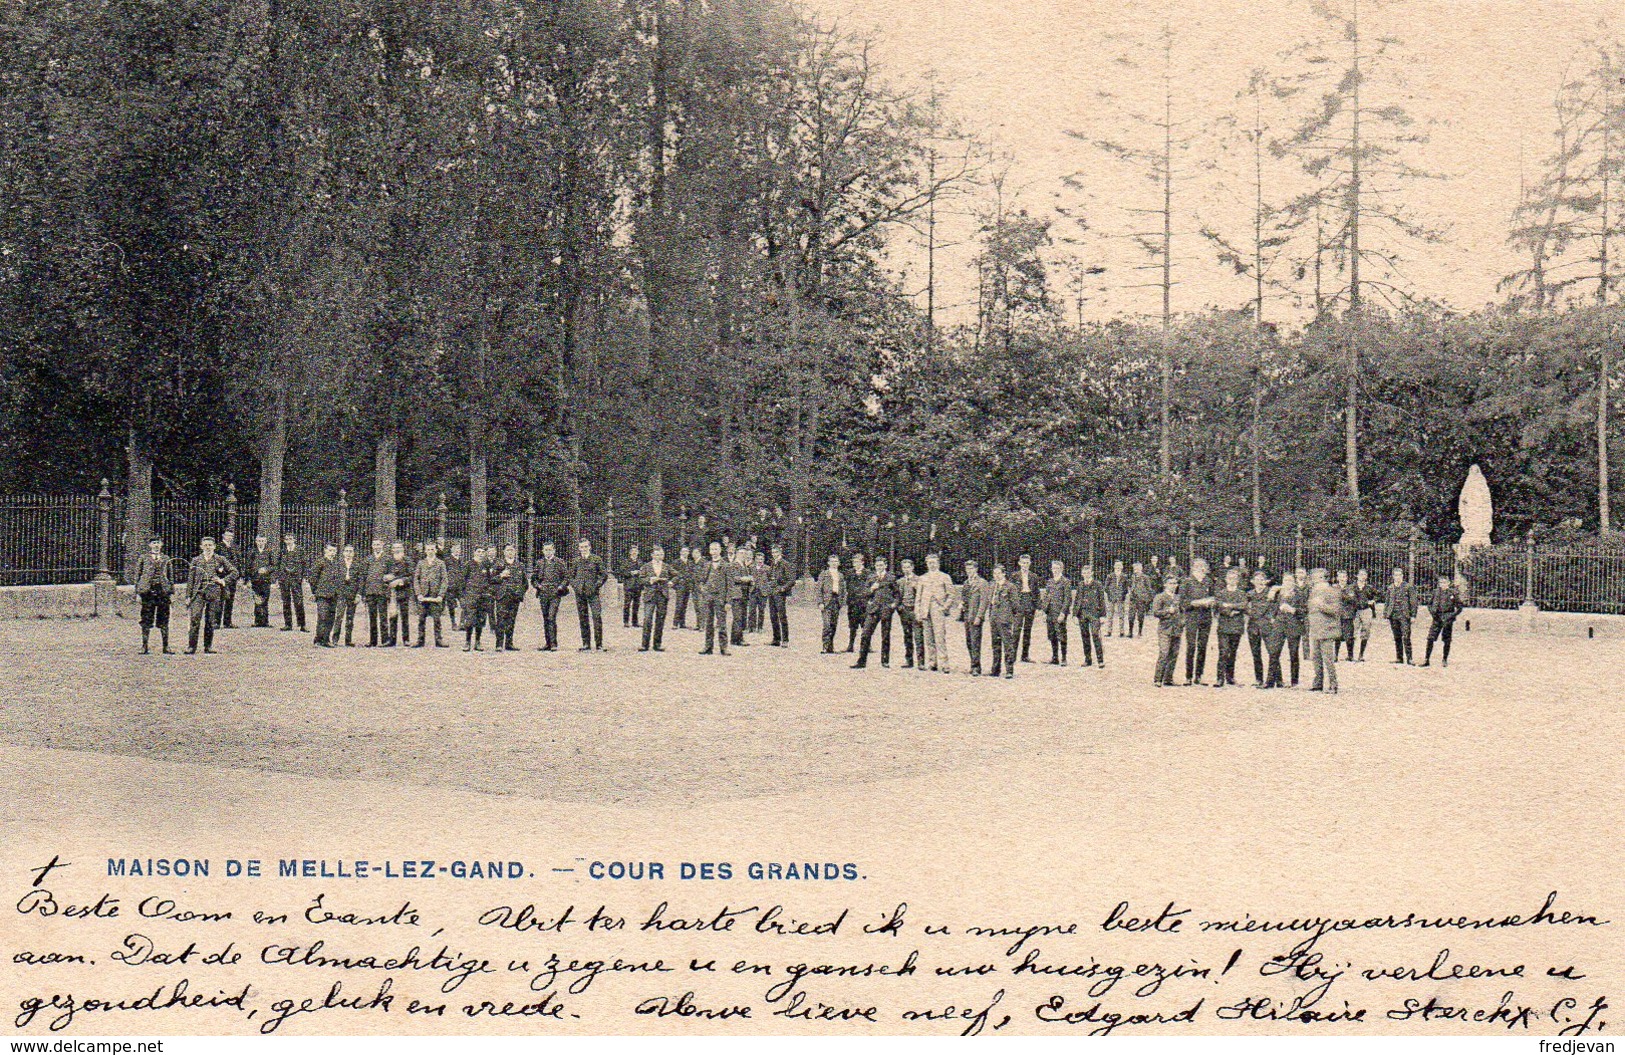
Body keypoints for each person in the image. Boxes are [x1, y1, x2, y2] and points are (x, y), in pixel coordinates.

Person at [186, 537, 238, 654]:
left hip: (214, 592)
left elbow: (234, 572)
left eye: (210, 545)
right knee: (195, 618)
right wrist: (188, 596)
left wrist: (222, 580)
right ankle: (191, 646)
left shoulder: (220, 559)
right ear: (201, 547)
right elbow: (191, 580)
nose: (208, 547)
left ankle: (208, 646)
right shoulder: (196, 560)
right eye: (205, 545)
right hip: (198, 593)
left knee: (210, 620)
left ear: (214, 546)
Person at [851, 556, 900, 669]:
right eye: (877, 565)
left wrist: (893, 605)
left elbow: (897, 594)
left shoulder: (891, 578)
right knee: (865, 634)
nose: (879, 567)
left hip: (886, 609)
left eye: (881, 565)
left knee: (885, 635)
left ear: (885, 565)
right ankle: (861, 661)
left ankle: (885, 661)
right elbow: (864, 592)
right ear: (875, 566)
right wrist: (871, 589)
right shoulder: (871, 577)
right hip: (873, 610)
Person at [914, 553, 955, 673]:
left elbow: (951, 594)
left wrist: (945, 606)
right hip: (925, 610)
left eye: (934, 562)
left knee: (940, 637)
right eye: (929, 563)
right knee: (929, 637)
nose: (931, 565)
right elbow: (918, 597)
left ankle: (944, 663)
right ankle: (932, 662)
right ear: (926, 564)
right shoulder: (922, 578)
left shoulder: (945, 577)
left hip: (938, 609)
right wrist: (918, 611)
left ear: (938, 563)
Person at [133, 536, 174, 654]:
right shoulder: (143, 558)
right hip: (147, 592)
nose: (156, 545)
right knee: (146, 618)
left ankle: (166, 646)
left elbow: (171, 577)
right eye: (154, 543)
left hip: (163, 592)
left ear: (161, 545)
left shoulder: (166, 559)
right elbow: (137, 576)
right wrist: (138, 593)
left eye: (158, 543)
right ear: (150, 545)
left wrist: (171, 592)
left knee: (164, 618)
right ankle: (144, 646)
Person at [1180, 558, 1216, 685]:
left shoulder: (1208, 581)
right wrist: (1199, 603)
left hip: (1206, 617)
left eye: (1204, 566)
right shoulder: (1187, 582)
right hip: (1192, 617)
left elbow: (1213, 597)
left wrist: (1210, 602)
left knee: (1202, 646)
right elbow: (1183, 603)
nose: (1203, 568)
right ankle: (1188, 676)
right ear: (1194, 567)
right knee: (1191, 646)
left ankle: (1199, 675)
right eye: (1200, 566)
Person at [1306, 568, 1342, 693]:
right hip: (1315, 629)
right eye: (1314, 577)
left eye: (1317, 577)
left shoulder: (1333, 591)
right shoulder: (1314, 592)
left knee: (1328, 659)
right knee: (1316, 658)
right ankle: (1318, 683)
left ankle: (1333, 684)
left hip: (1327, 629)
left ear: (1324, 578)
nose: (1315, 580)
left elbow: (1336, 610)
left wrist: (1321, 606)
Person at [1212, 567, 1249, 688]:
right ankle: (1219, 678)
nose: (1232, 580)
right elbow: (1218, 606)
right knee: (1223, 652)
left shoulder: (1241, 593)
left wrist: (1229, 605)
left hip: (1237, 626)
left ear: (1237, 580)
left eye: (1234, 578)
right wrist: (1230, 611)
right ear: (1226, 579)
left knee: (1232, 652)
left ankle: (1230, 677)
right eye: (1229, 578)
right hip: (1224, 626)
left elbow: (1243, 605)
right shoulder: (1221, 593)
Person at [570, 537, 608, 651]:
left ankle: (599, 644)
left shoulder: (596, 559)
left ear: (590, 547)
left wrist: (597, 585)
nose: (584, 549)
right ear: (578, 548)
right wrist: (576, 586)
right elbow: (571, 576)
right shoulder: (576, 561)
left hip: (593, 593)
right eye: (581, 547)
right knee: (583, 617)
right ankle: (586, 644)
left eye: (586, 547)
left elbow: (603, 575)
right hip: (580, 593)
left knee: (597, 616)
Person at [531, 540, 569, 651]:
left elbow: (566, 577)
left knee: (551, 617)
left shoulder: (559, 562)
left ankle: (553, 643)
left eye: (550, 549)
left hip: (555, 594)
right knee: (545, 617)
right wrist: (538, 586)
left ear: (554, 550)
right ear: (543, 551)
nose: (548, 552)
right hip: (543, 594)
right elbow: (533, 579)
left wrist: (561, 586)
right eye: (546, 550)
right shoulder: (539, 563)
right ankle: (547, 643)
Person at [697, 541, 734, 656]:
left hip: (721, 599)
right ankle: (708, 647)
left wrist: (728, 601)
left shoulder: (726, 565)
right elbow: (701, 581)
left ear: (720, 550)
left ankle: (724, 648)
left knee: (722, 624)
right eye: (712, 549)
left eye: (716, 549)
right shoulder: (707, 565)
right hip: (708, 598)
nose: (714, 552)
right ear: (709, 551)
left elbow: (730, 585)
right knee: (708, 623)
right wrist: (704, 591)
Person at [1421, 573, 1461, 667]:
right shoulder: (1435, 592)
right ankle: (1427, 659)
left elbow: (1459, 607)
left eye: (1444, 582)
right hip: (1437, 618)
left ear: (1448, 583)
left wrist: (1451, 616)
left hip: (1447, 619)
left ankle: (1444, 659)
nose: (1443, 584)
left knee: (1447, 640)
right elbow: (1429, 604)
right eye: (1441, 582)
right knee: (1430, 638)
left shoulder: (1453, 593)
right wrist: (1433, 613)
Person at [414, 541, 450, 648]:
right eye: (428, 549)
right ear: (425, 551)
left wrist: (440, 595)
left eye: (432, 549)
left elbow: (444, 580)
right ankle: (420, 640)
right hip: (423, 595)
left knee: (437, 619)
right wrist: (418, 594)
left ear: (436, 550)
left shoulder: (440, 563)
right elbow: (416, 579)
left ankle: (439, 640)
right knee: (421, 619)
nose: (430, 551)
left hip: (435, 595)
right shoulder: (421, 563)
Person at [491, 543, 525, 651]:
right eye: (508, 550)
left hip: (515, 596)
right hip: (502, 595)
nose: (510, 552)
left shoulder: (520, 565)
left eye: (512, 550)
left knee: (511, 620)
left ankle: (509, 643)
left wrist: (520, 592)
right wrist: (501, 576)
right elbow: (491, 580)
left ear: (515, 552)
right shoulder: (498, 565)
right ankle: (499, 644)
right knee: (501, 620)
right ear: (504, 552)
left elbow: (525, 583)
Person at [960, 559, 992, 676]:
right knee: (969, 641)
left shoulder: (982, 583)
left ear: (976, 569)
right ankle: (972, 663)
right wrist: (962, 604)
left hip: (975, 616)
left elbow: (984, 601)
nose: (969, 571)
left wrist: (979, 616)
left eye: (971, 569)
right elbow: (964, 597)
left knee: (975, 642)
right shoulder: (966, 583)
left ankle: (976, 667)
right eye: (967, 569)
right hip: (967, 616)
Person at [988, 564, 1020, 679]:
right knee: (995, 645)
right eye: (994, 573)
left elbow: (1015, 605)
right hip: (994, 619)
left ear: (1004, 574)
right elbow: (990, 603)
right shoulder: (992, 586)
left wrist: (1009, 617)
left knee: (1007, 645)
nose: (996, 576)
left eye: (998, 573)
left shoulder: (1010, 587)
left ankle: (1009, 670)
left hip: (1005, 620)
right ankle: (995, 669)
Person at [639, 546, 673, 651]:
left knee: (660, 620)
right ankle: (645, 644)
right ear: (652, 555)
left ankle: (657, 644)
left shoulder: (666, 566)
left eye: (661, 554)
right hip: (650, 595)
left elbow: (677, 575)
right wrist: (650, 580)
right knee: (647, 619)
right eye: (657, 554)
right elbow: (640, 579)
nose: (659, 557)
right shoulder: (646, 566)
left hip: (662, 596)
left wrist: (672, 582)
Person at [1152, 576, 1184, 687]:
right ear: (1165, 584)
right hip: (1165, 629)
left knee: (1174, 654)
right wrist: (1167, 611)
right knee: (1164, 653)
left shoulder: (1178, 598)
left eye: (1175, 583)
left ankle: (1168, 679)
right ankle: (1158, 679)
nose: (1173, 585)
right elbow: (1155, 612)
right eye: (1171, 583)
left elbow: (1182, 611)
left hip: (1177, 629)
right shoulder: (1160, 597)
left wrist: (1182, 622)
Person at [1245, 570, 1274, 687]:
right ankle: (1259, 679)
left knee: (1272, 652)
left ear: (1266, 581)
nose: (1260, 582)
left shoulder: (1270, 593)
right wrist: (1251, 613)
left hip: (1266, 626)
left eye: (1262, 580)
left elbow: (1272, 608)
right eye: (1257, 580)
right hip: (1253, 627)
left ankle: (1276, 679)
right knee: (1256, 654)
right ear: (1253, 582)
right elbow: (1245, 607)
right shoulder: (1250, 594)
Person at [1074, 565, 1107, 669]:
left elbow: (1102, 600)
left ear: (1092, 573)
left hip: (1094, 614)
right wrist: (1075, 614)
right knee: (1084, 636)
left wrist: (1103, 615)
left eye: (1088, 573)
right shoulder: (1080, 585)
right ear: (1082, 574)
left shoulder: (1098, 584)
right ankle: (1088, 659)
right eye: (1084, 573)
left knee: (1095, 634)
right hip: (1082, 613)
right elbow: (1076, 600)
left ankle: (1100, 660)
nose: (1086, 575)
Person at [461, 546, 493, 651]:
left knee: (480, 619)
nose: (480, 554)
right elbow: (462, 581)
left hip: (483, 596)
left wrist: (488, 592)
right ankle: (467, 642)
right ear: (474, 553)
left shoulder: (486, 565)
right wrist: (464, 596)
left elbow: (489, 579)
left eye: (483, 552)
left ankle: (478, 642)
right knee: (470, 620)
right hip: (471, 596)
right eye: (478, 551)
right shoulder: (468, 565)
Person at [310, 542, 342, 647]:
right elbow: (313, 578)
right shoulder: (320, 562)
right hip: (322, 594)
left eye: (334, 551)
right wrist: (314, 592)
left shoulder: (336, 564)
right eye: (330, 550)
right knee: (323, 616)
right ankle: (320, 639)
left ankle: (325, 639)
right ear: (325, 551)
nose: (332, 553)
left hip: (334, 595)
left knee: (331, 617)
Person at [1041, 560, 1072, 666]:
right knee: (1052, 635)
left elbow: (1067, 599)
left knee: (1061, 635)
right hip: (1050, 613)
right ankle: (1055, 658)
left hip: (1059, 613)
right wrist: (1044, 612)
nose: (1055, 570)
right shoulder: (1049, 581)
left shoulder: (1066, 581)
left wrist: (1063, 613)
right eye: (1053, 568)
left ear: (1061, 569)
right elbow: (1046, 597)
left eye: (1057, 568)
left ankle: (1063, 658)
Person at [360, 539, 390, 647]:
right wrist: (363, 593)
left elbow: (392, 574)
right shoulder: (368, 559)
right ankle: (373, 641)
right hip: (370, 591)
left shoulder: (387, 559)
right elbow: (363, 576)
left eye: (379, 544)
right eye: (374, 545)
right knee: (372, 617)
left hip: (382, 592)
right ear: (372, 546)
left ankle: (385, 640)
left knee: (383, 616)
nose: (376, 546)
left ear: (383, 545)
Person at [276, 532, 307, 633]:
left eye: (290, 539)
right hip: (284, 580)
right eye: (287, 539)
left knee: (298, 601)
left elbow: (304, 564)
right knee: (286, 602)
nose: (289, 541)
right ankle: (288, 624)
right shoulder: (282, 551)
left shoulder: (300, 550)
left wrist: (302, 577)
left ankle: (302, 625)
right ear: (284, 541)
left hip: (296, 580)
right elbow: (278, 564)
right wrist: (279, 578)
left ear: (294, 540)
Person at [383, 540, 413, 646]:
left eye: (399, 547)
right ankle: (392, 639)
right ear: (392, 549)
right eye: (395, 547)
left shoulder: (407, 560)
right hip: (391, 592)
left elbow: (412, 576)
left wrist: (401, 581)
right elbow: (383, 575)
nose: (397, 549)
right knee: (392, 616)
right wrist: (386, 578)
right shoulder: (388, 561)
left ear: (403, 549)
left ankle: (406, 639)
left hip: (403, 592)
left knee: (405, 616)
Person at [334, 543, 363, 646]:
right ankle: (335, 639)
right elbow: (334, 579)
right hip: (341, 594)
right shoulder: (338, 564)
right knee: (338, 616)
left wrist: (358, 594)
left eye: (350, 551)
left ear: (354, 553)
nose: (348, 553)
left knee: (350, 618)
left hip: (352, 595)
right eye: (346, 551)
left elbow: (360, 581)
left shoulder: (358, 565)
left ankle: (348, 640)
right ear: (343, 553)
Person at [1385, 567, 1416, 665]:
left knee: (1406, 636)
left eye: (1399, 575)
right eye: (1395, 575)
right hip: (1393, 615)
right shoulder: (1390, 587)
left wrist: (1413, 615)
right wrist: (1386, 613)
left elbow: (1413, 602)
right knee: (1397, 637)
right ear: (1393, 576)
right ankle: (1399, 658)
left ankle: (1409, 658)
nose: (1397, 577)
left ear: (1402, 576)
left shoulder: (1408, 587)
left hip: (1404, 615)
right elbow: (1387, 601)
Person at [766, 543, 795, 647]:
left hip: (780, 593)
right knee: (773, 616)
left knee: (782, 616)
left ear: (780, 552)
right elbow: (770, 577)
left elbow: (791, 580)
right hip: (772, 592)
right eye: (773, 552)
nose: (774, 554)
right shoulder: (773, 564)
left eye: (776, 552)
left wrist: (783, 588)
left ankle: (785, 640)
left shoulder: (785, 564)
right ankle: (776, 639)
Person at [1013, 554, 1039, 662]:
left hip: (1029, 602)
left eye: (1027, 563)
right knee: (1016, 630)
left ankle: (1025, 655)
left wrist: (1037, 607)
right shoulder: (1014, 576)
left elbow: (1037, 593)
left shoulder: (1034, 576)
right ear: (1019, 563)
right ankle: (1012, 655)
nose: (1025, 565)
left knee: (1027, 630)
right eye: (1023, 563)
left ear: (1030, 564)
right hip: (1019, 602)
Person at [817, 554, 846, 654]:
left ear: (839, 563)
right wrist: (820, 602)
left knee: (834, 624)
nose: (834, 563)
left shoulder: (840, 575)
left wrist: (841, 602)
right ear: (828, 563)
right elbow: (819, 589)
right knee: (826, 624)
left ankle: (830, 646)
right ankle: (825, 646)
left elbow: (843, 590)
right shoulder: (824, 574)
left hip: (836, 601)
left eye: (836, 561)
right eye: (832, 561)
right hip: (826, 602)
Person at [246, 534, 276, 628]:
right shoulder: (252, 552)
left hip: (266, 580)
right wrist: (248, 580)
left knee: (265, 599)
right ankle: (257, 621)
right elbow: (248, 566)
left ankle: (265, 621)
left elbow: (274, 566)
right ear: (256, 541)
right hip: (255, 579)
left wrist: (266, 569)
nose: (261, 543)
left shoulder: (269, 552)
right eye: (259, 541)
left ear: (265, 542)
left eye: (262, 541)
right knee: (257, 600)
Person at [729, 545, 755, 647]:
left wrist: (750, 582)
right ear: (736, 554)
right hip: (736, 594)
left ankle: (735, 639)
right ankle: (738, 639)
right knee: (738, 617)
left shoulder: (744, 566)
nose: (744, 555)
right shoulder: (734, 565)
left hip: (744, 593)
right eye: (741, 553)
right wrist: (745, 579)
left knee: (741, 616)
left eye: (745, 554)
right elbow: (734, 578)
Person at [896, 559, 920, 669]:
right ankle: (909, 660)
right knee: (907, 636)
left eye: (908, 567)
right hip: (904, 611)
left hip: (915, 610)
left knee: (918, 636)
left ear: (912, 567)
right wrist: (899, 607)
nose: (906, 570)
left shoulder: (919, 580)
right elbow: (897, 596)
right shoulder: (900, 581)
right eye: (904, 567)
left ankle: (921, 661)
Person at [844, 552, 869, 653]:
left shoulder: (868, 573)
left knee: (865, 625)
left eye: (857, 561)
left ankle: (867, 645)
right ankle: (851, 645)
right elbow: (848, 587)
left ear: (862, 562)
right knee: (852, 625)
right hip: (853, 603)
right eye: (854, 561)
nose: (855, 563)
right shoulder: (850, 573)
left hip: (864, 603)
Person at [217, 529, 241, 628]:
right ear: (223, 535)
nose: (229, 537)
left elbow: (238, 561)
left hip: (232, 577)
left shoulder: (235, 547)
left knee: (230, 599)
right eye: (227, 535)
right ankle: (216, 622)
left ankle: (227, 622)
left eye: (231, 536)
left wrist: (239, 575)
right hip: (222, 577)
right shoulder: (218, 547)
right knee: (220, 600)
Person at [1353, 568, 1378, 661]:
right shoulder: (1352, 587)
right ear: (1357, 576)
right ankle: (1351, 654)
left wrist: (1373, 600)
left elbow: (1378, 595)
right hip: (1355, 611)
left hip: (1366, 610)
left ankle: (1361, 654)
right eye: (1361, 574)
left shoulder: (1369, 587)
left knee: (1365, 631)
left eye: (1364, 575)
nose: (1362, 577)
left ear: (1366, 576)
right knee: (1353, 632)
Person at [443, 541, 466, 634]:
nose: (457, 551)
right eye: (455, 549)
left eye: (459, 549)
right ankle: (453, 623)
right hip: (451, 587)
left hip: (460, 587)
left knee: (464, 605)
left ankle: (461, 623)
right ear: (451, 549)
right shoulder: (447, 560)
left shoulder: (462, 560)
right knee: (451, 606)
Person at [1127, 561, 1155, 639]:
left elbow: (1149, 589)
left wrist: (1148, 600)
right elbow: (1130, 586)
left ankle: (1140, 632)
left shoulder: (1145, 577)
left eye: (1138, 568)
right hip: (1133, 599)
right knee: (1131, 616)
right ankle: (1130, 632)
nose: (1136, 569)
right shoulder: (1133, 577)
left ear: (1141, 568)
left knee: (1140, 616)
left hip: (1141, 599)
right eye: (1135, 568)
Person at [1335, 569, 1358, 661]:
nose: (1342, 579)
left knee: (1349, 636)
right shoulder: (1334, 588)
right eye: (1340, 577)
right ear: (1337, 578)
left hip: (1348, 615)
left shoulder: (1351, 588)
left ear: (1347, 578)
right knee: (1336, 635)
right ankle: (1335, 656)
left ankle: (1350, 655)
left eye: (1344, 577)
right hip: (1337, 615)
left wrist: (1342, 595)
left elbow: (1353, 600)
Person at [671, 545, 695, 629]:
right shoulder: (676, 562)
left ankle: (682, 623)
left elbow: (692, 574)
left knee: (685, 604)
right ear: (680, 552)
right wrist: (675, 585)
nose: (685, 553)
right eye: (684, 551)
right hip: (680, 586)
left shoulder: (691, 563)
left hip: (687, 586)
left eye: (687, 551)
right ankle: (675, 623)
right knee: (679, 604)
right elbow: (672, 574)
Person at [620, 544, 643, 628]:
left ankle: (635, 622)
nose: (634, 553)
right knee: (627, 604)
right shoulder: (625, 561)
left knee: (636, 604)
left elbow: (644, 572)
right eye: (633, 551)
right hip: (629, 586)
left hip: (638, 585)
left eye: (636, 551)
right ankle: (626, 621)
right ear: (630, 552)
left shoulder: (640, 562)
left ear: (638, 552)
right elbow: (622, 572)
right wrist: (631, 573)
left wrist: (640, 572)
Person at [1104, 560, 1128, 638]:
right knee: (1110, 615)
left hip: (1121, 598)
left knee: (1121, 615)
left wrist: (1123, 595)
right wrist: (1110, 595)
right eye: (1116, 566)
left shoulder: (1124, 576)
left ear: (1122, 567)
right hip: (1111, 598)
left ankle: (1121, 631)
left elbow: (1126, 588)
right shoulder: (1110, 576)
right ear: (1114, 567)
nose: (1118, 568)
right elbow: (1106, 587)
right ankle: (1109, 631)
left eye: (1119, 566)